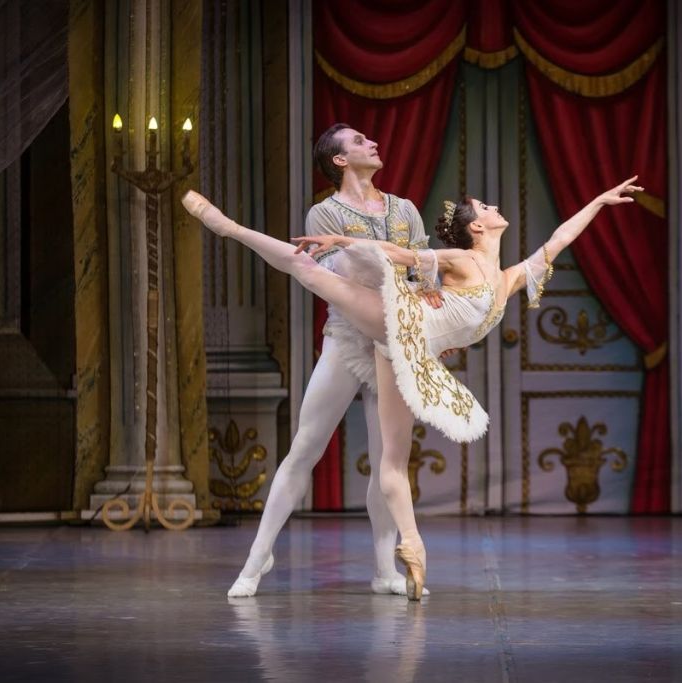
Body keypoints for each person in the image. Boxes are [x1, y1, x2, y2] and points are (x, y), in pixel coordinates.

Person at [183, 175, 642, 599]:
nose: (494, 207)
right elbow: (396, 254)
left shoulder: (507, 279)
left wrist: (598, 201)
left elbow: (559, 239)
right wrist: (341, 240)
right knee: (312, 271)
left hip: (406, 353)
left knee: (392, 461)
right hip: (397, 318)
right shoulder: (462, 259)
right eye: (485, 206)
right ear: (477, 227)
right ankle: (229, 227)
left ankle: (411, 549)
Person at [228, 124, 437, 598]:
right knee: (306, 445)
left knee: (387, 460)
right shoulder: (326, 213)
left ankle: (385, 570)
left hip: (396, 342)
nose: (373, 144)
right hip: (348, 337)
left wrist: (430, 313)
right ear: (339, 160)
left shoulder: (404, 209)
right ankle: (258, 557)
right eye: (360, 142)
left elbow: (425, 267)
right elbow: (330, 278)